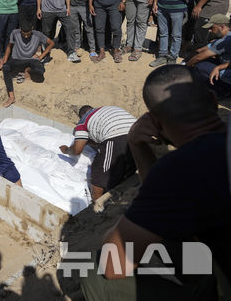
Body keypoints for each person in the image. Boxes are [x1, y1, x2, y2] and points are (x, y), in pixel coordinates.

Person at [81, 65, 230, 300]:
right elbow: (163, 204)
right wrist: (137, 146)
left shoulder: (180, 169)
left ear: (155, 123)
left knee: (94, 272)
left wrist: (137, 142)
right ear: (213, 101)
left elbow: (113, 265)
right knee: (172, 234)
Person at [60, 105, 137, 200]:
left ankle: (97, 210)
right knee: (127, 173)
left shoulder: (83, 121)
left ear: (81, 115)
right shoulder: (107, 109)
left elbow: (77, 150)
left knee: (98, 177)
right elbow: (99, 138)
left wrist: (66, 150)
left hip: (117, 137)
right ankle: (125, 201)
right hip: (138, 135)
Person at [0, 20, 53, 108]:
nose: (26, 36)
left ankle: (27, 71)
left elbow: (51, 43)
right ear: (20, 30)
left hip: (31, 60)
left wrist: (41, 56)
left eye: (28, 34)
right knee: (6, 68)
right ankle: (11, 96)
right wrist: (4, 60)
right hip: (17, 59)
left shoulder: (38, 34)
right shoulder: (15, 33)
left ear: (32, 29)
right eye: (24, 34)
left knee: (41, 70)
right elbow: (9, 46)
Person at [186, 14, 231, 97]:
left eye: (212, 28)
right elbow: (200, 51)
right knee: (205, 61)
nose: (210, 31)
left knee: (200, 66)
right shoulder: (224, 37)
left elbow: (198, 58)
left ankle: (223, 90)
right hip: (227, 66)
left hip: (228, 70)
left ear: (222, 27)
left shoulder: (226, 39)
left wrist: (184, 68)